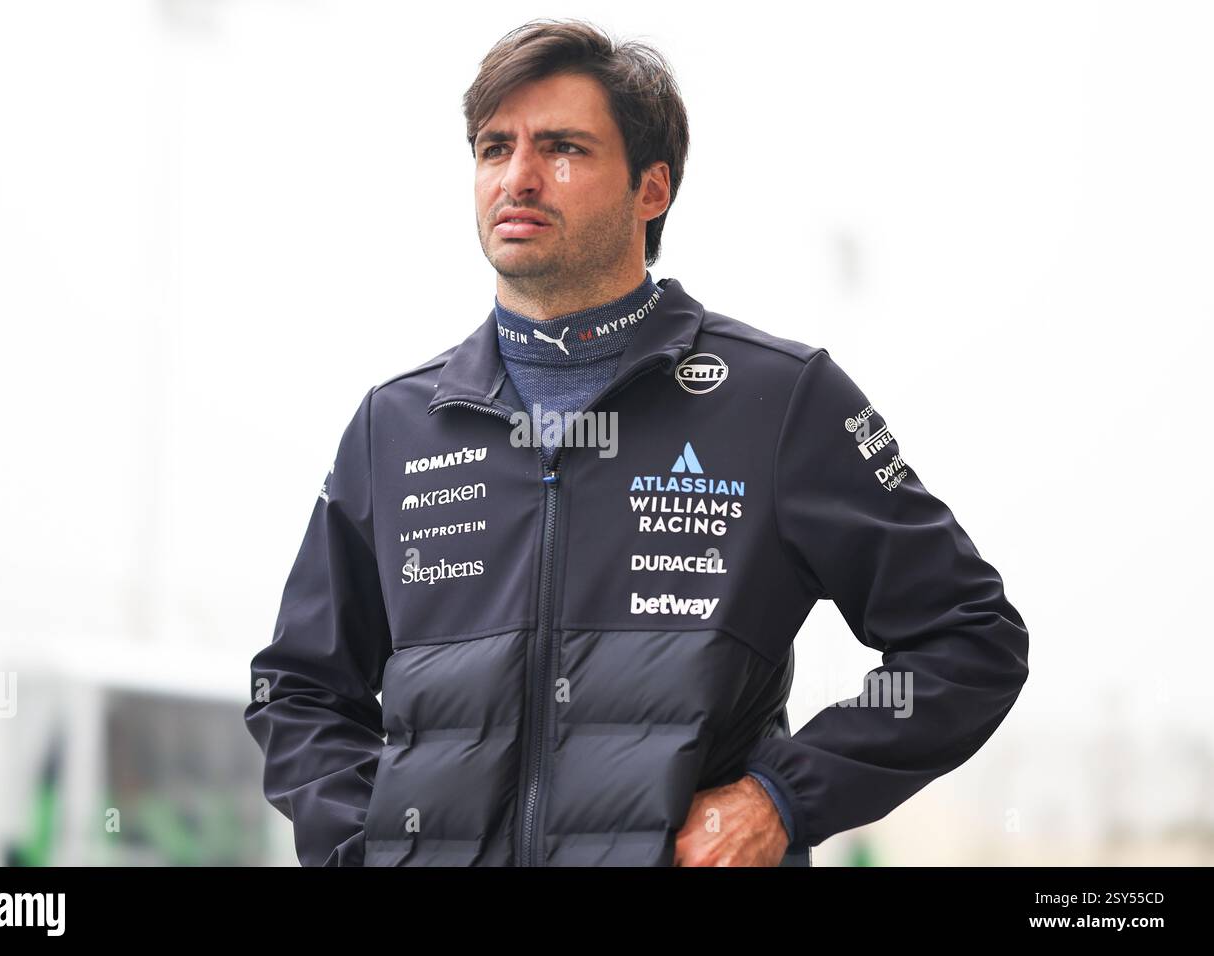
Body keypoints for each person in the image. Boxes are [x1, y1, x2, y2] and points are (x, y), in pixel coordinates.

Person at [243, 18, 1030, 867]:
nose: (519, 178)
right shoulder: (394, 424)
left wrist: (782, 798)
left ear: (651, 189)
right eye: (493, 148)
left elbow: (970, 637)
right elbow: (299, 690)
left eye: (564, 148)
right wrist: (366, 849)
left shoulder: (778, 401)